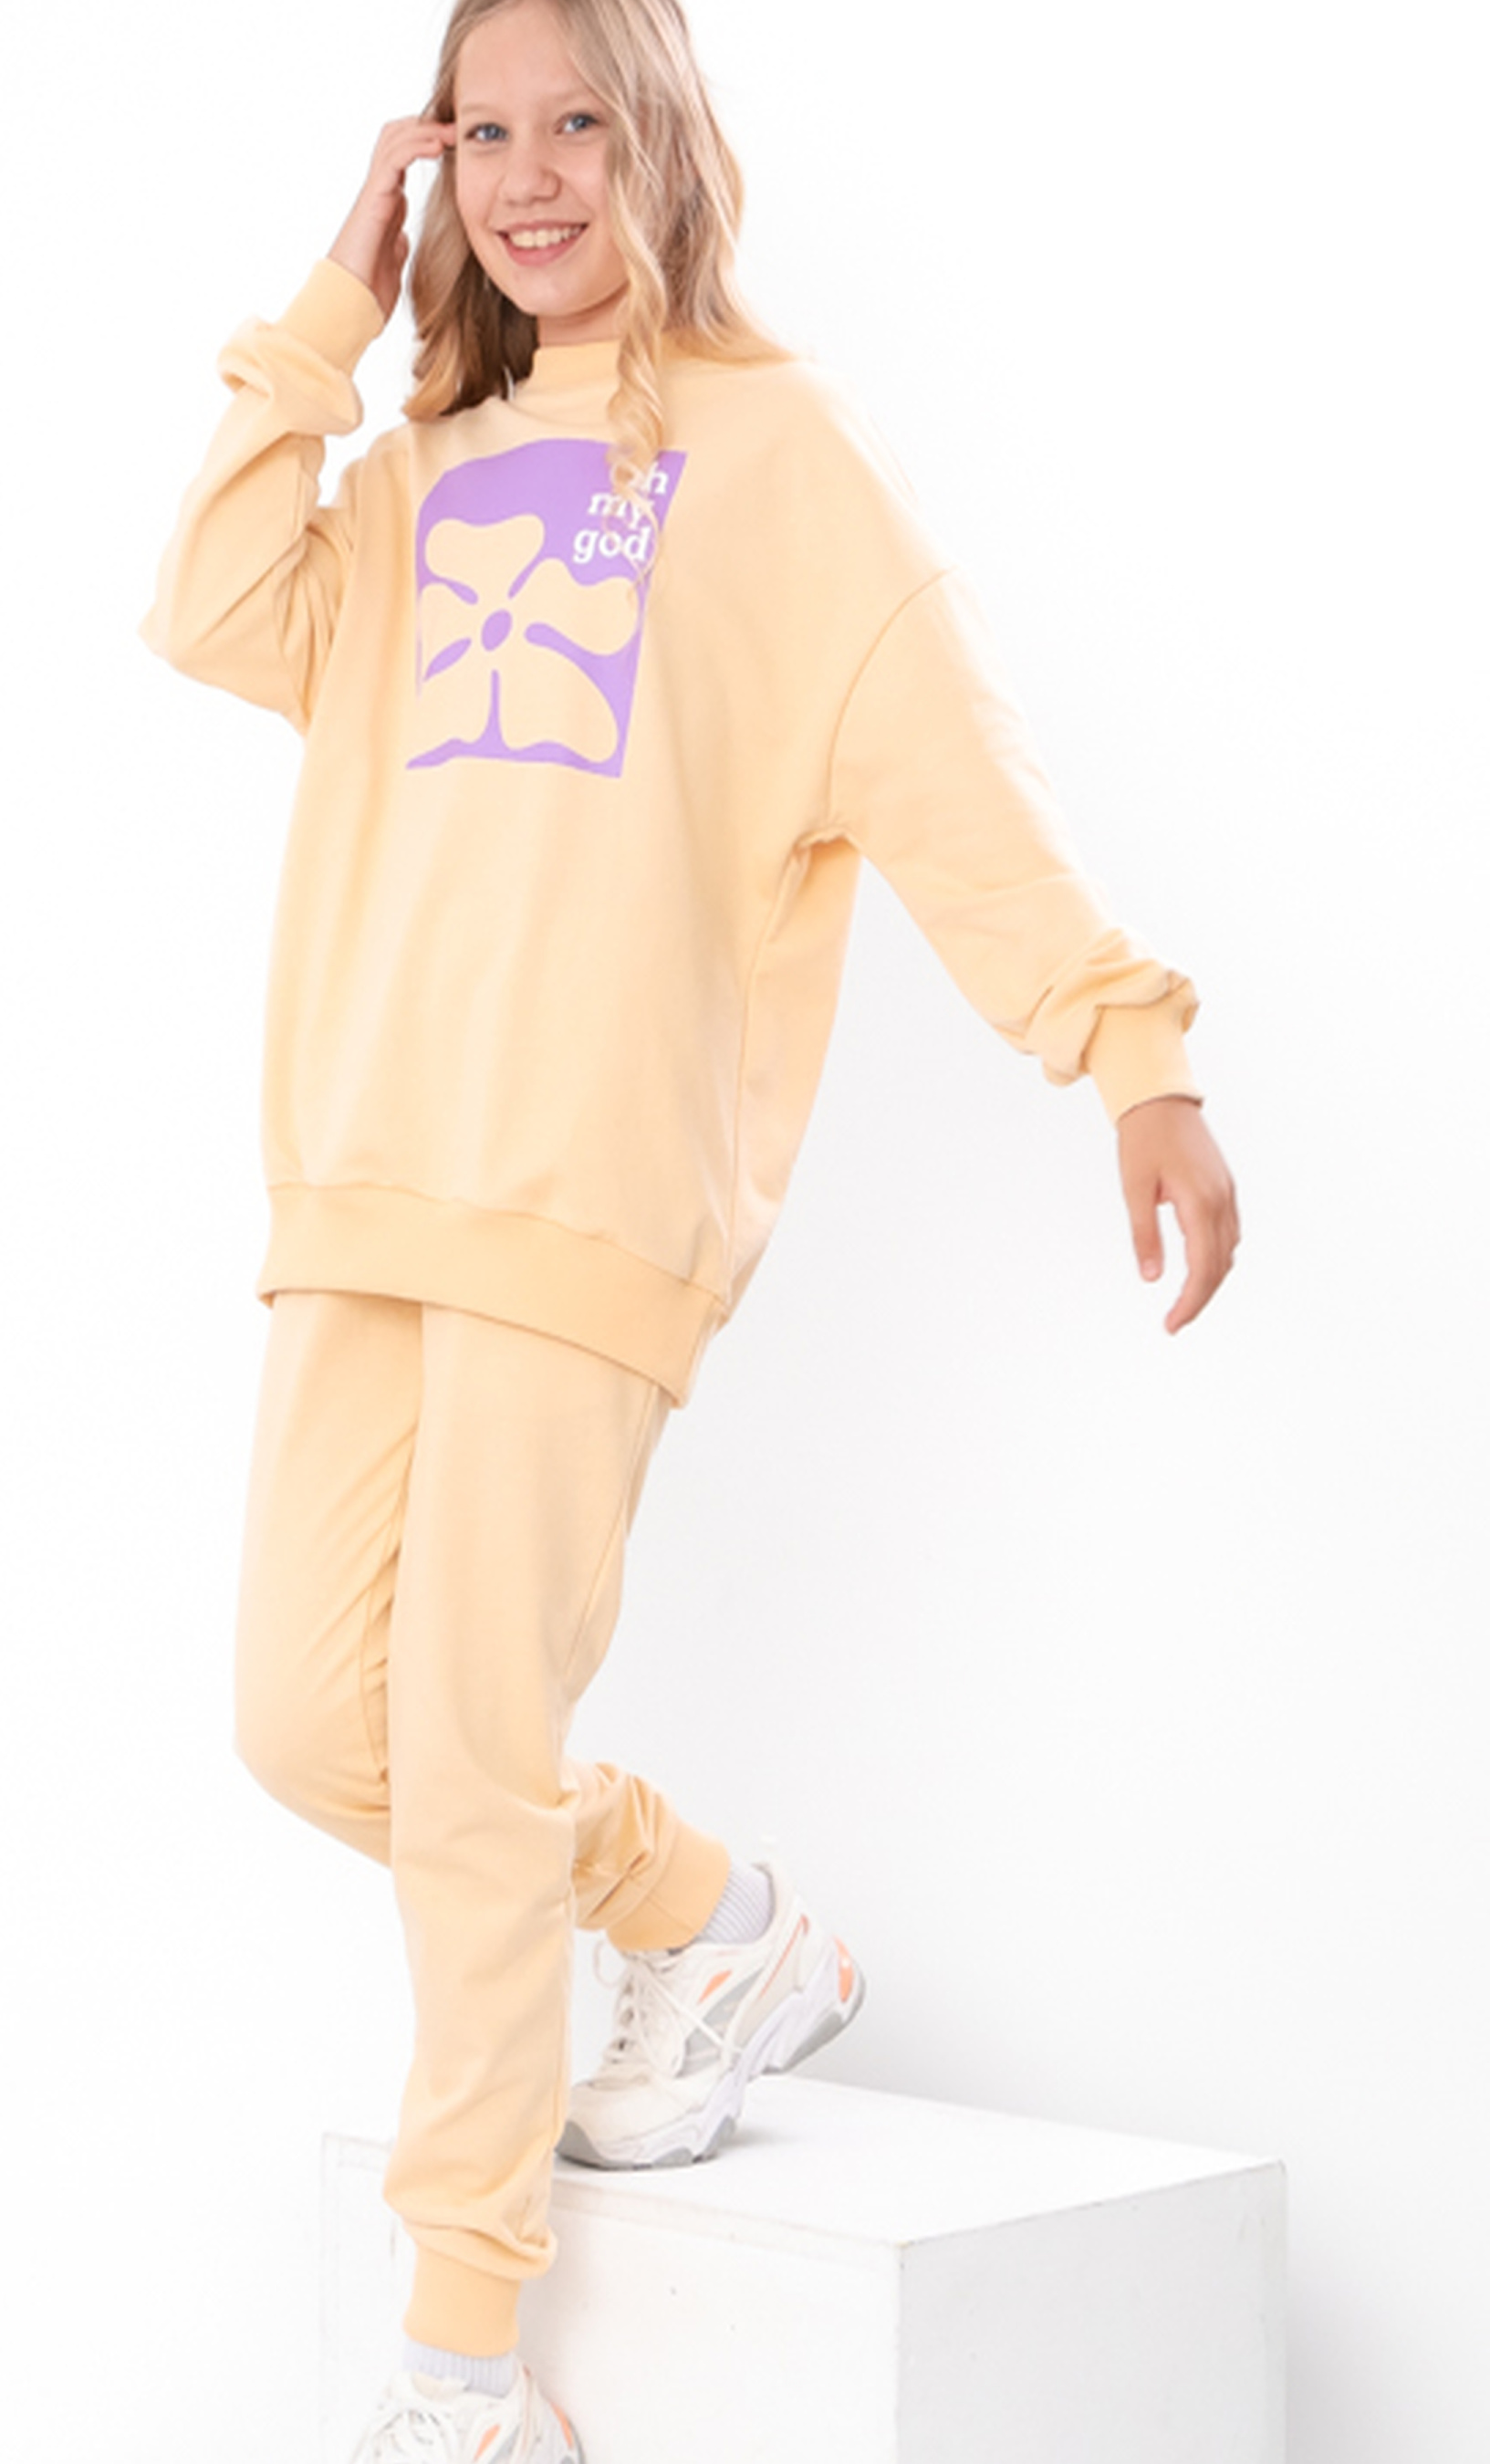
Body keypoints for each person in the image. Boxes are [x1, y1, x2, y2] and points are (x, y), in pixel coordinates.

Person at [139, 0, 1240, 2453]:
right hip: (362, 1177)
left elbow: (957, 783)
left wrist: (1130, 1054)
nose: (532, 176)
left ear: (664, 144)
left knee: (464, 1751)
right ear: (432, 168)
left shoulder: (780, 460)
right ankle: (709, 1917)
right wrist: (331, 303)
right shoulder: (407, 478)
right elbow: (207, 603)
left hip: (593, 1197)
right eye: (482, 133)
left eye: (578, 124)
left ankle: (455, 2356)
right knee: (306, 1720)